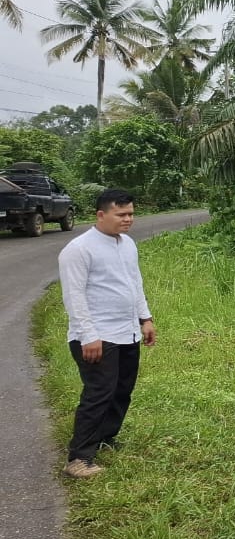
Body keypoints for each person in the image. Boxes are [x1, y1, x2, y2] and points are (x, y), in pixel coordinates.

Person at [58, 188, 155, 479]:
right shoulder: (78, 249)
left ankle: (105, 438)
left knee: (122, 389)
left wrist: (145, 318)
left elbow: (134, 283)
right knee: (99, 393)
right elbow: (73, 297)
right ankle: (79, 458)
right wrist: (89, 335)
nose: (128, 220)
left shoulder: (127, 244)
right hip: (96, 336)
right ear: (101, 215)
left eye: (131, 214)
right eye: (121, 214)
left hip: (127, 331)